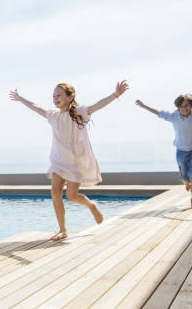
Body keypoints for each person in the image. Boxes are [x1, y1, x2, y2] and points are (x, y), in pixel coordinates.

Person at [9, 81, 129, 241]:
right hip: (58, 160)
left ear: (70, 96)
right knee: (54, 191)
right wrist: (20, 98)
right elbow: (35, 106)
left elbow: (98, 105)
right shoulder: (53, 115)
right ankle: (62, 229)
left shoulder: (80, 112)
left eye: (59, 95)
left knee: (71, 196)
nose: (55, 98)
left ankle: (92, 206)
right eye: (53, 96)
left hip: (76, 161)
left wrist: (115, 95)